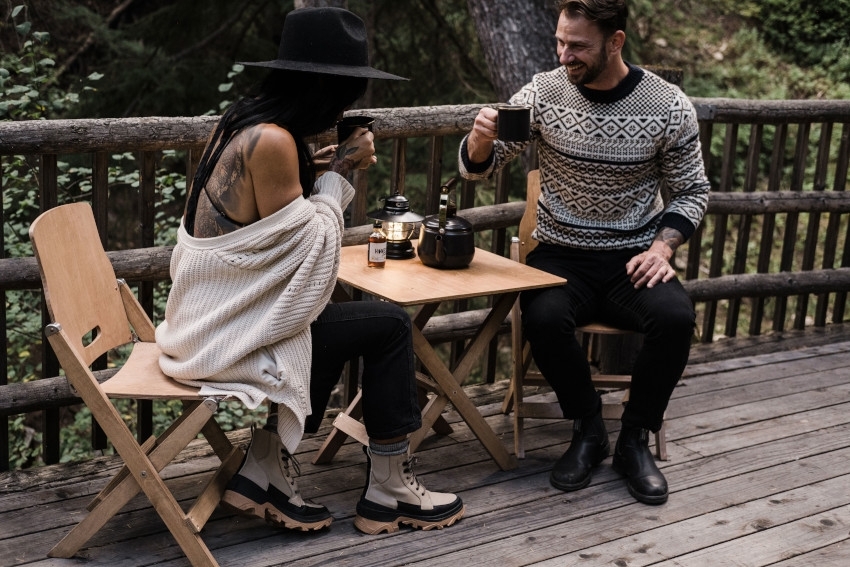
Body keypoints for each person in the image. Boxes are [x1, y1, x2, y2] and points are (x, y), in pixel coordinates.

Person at [156, 7, 464, 534]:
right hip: (222, 336)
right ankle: (388, 486)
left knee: (318, 326)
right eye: (348, 92)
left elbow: (266, 226)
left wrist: (317, 167)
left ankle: (264, 467)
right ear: (322, 87)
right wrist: (343, 168)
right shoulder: (274, 142)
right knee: (387, 326)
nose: (350, 104)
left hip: (203, 321)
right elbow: (310, 263)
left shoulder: (243, 123)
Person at [458, 0, 709, 505]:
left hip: (633, 256)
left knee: (676, 319)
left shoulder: (668, 104)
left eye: (577, 46)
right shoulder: (545, 92)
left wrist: (664, 247)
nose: (563, 54)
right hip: (560, 252)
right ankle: (589, 426)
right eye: (559, 41)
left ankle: (634, 440)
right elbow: (479, 169)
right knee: (544, 317)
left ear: (615, 42)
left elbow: (692, 191)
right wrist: (480, 140)